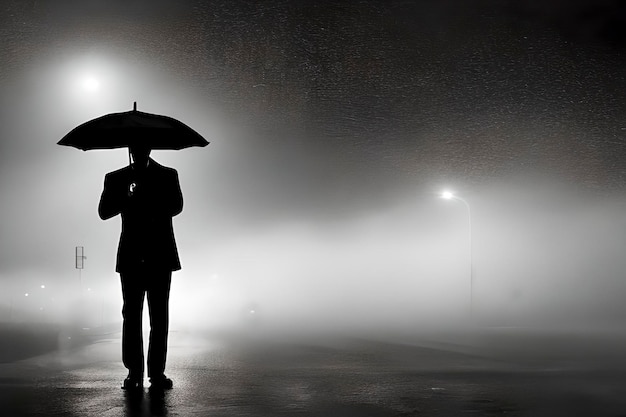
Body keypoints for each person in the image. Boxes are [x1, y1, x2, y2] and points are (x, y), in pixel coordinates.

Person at [98, 144, 183, 390]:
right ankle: (134, 372)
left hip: (159, 255)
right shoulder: (116, 178)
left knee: (159, 317)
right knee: (131, 316)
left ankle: (156, 373)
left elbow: (176, 206)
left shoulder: (168, 175)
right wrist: (127, 195)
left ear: (149, 149)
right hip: (132, 256)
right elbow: (104, 212)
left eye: (142, 147)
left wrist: (146, 194)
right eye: (135, 148)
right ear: (131, 150)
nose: (138, 152)